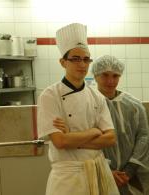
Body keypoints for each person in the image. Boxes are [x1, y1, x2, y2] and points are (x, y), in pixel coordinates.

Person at [36, 23, 119, 195]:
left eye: (86, 59)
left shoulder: (96, 96)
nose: (82, 64)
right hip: (67, 178)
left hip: (98, 171)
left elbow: (110, 138)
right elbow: (60, 142)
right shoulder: (50, 96)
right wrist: (95, 131)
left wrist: (72, 138)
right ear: (63, 62)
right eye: (75, 59)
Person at [92, 55, 149, 195]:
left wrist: (130, 169)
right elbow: (85, 143)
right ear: (95, 76)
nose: (110, 81)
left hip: (130, 177)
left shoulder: (133, 105)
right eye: (105, 75)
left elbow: (143, 136)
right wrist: (106, 170)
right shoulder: (88, 104)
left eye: (115, 76)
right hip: (98, 174)